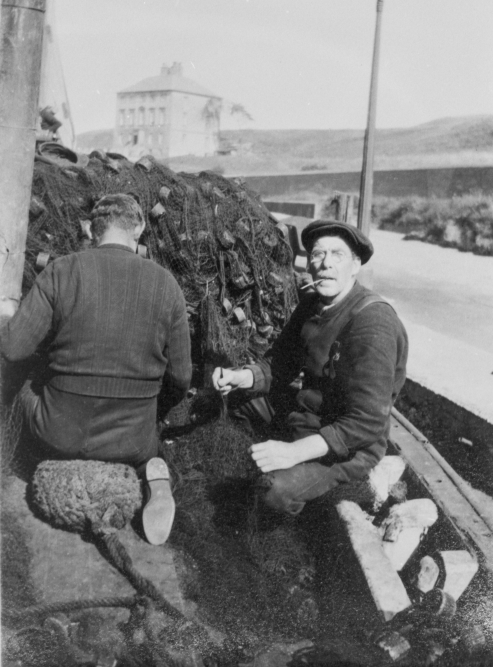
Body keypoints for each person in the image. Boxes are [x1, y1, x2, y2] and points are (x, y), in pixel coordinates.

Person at [0, 193, 192, 545]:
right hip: (133, 440)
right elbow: (181, 378)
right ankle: (153, 476)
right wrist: (153, 414)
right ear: (139, 229)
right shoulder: (167, 285)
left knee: (23, 381)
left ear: (91, 228)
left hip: (57, 433)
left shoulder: (61, 270)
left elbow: (13, 349)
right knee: (148, 426)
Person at [212, 219, 408, 517]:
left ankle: (353, 491)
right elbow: (281, 364)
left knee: (271, 491)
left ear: (356, 265)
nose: (326, 264)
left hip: (350, 445)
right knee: (233, 400)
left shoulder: (372, 322)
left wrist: (292, 453)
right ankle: (287, 454)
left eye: (337, 255)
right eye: (317, 254)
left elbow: (366, 423)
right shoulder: (313, 304)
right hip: (307, 415)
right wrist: (241, 377)